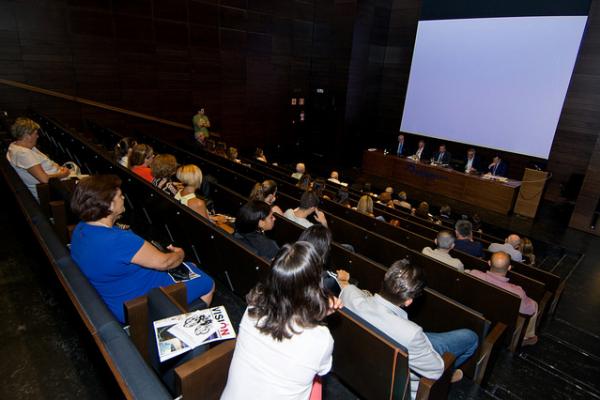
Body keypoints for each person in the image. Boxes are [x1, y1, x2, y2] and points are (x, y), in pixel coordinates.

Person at [69, 175, 215, 323]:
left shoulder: (81, 228)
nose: (123, 198)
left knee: (191, 267)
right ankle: (186, 331)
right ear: (109, 205)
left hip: (117, 291)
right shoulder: (118, 240)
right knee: (207, 282)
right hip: (137, 303)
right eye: (120, 196)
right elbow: (165, 263)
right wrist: (180, 254)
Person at [338, 259, 478, 399]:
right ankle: (451, 374)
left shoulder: (350, 295)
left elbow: (347, 289)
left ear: (385, 280)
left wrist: (344, 282)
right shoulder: (412, 333)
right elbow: (436, 371)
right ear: (408, 301)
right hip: (399, 386)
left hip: (361, 368)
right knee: (471, 337)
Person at [221, 242, 340, 400]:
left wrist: (315, 313)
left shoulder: (253, 308)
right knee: (317, 383)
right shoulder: (321, 339)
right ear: (315, 287)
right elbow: (321, 370)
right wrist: (317, 314)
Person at [466, 252, 538, 345]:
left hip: (473, 313)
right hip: (498, 324)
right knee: (534, 304)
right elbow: (529, 311)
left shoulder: (474, 274)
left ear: (489, 263)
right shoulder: (517, 292)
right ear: (509, 268)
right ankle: (527, 337)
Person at [6, 117, 70, 201]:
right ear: (27, 135)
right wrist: (63, 174)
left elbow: (45, 161)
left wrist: (57, 167)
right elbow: (44, 179)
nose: (37, 136)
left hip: (57, 183)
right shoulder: (23, 154)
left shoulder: (17, 146)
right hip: (52, 190)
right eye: (35, 133)